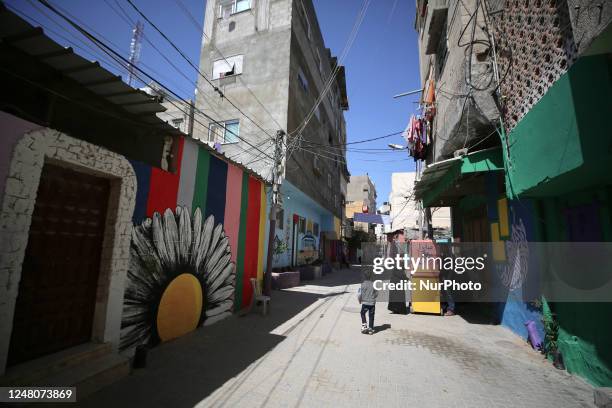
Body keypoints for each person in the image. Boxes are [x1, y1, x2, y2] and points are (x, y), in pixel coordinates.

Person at [387, 233, 408, 314]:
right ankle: (396, 308)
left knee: (398, 290)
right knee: (395, 290)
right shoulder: (393, 245)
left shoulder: (396, 245)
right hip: (396, 270)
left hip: (398, 270)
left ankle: (398, 308)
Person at [358, 269, 377, 334]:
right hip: (372, 303)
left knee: (362, 313)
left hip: (365, 303)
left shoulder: (362, 284)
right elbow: (377, 293)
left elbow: (359, 294)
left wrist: (360, 300)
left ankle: (364, 325)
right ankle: (371, 329)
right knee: (371, 315)